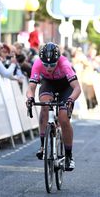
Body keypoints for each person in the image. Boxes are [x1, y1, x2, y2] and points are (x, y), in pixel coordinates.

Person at [26, 42, 81, 171]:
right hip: (48, 83)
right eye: (46, 64)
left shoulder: (64, 64)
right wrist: (30, 98)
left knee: (63, 119)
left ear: (58, 60)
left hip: (65, 86)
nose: (49, 67)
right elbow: (31, 87)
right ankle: (42, 146)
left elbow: (77, 88)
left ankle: (68, 156)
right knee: (45, 106)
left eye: (52, 64)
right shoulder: (38, 63)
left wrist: (70, 99)